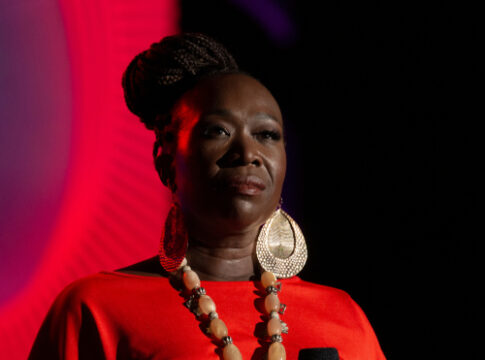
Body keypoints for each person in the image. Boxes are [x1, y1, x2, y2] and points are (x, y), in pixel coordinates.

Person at [28, 33, 385, 360]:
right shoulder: (96, 309)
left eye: (267, 134)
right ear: (165, 159)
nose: (247, 152)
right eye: (218, 130)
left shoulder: (343, 316)